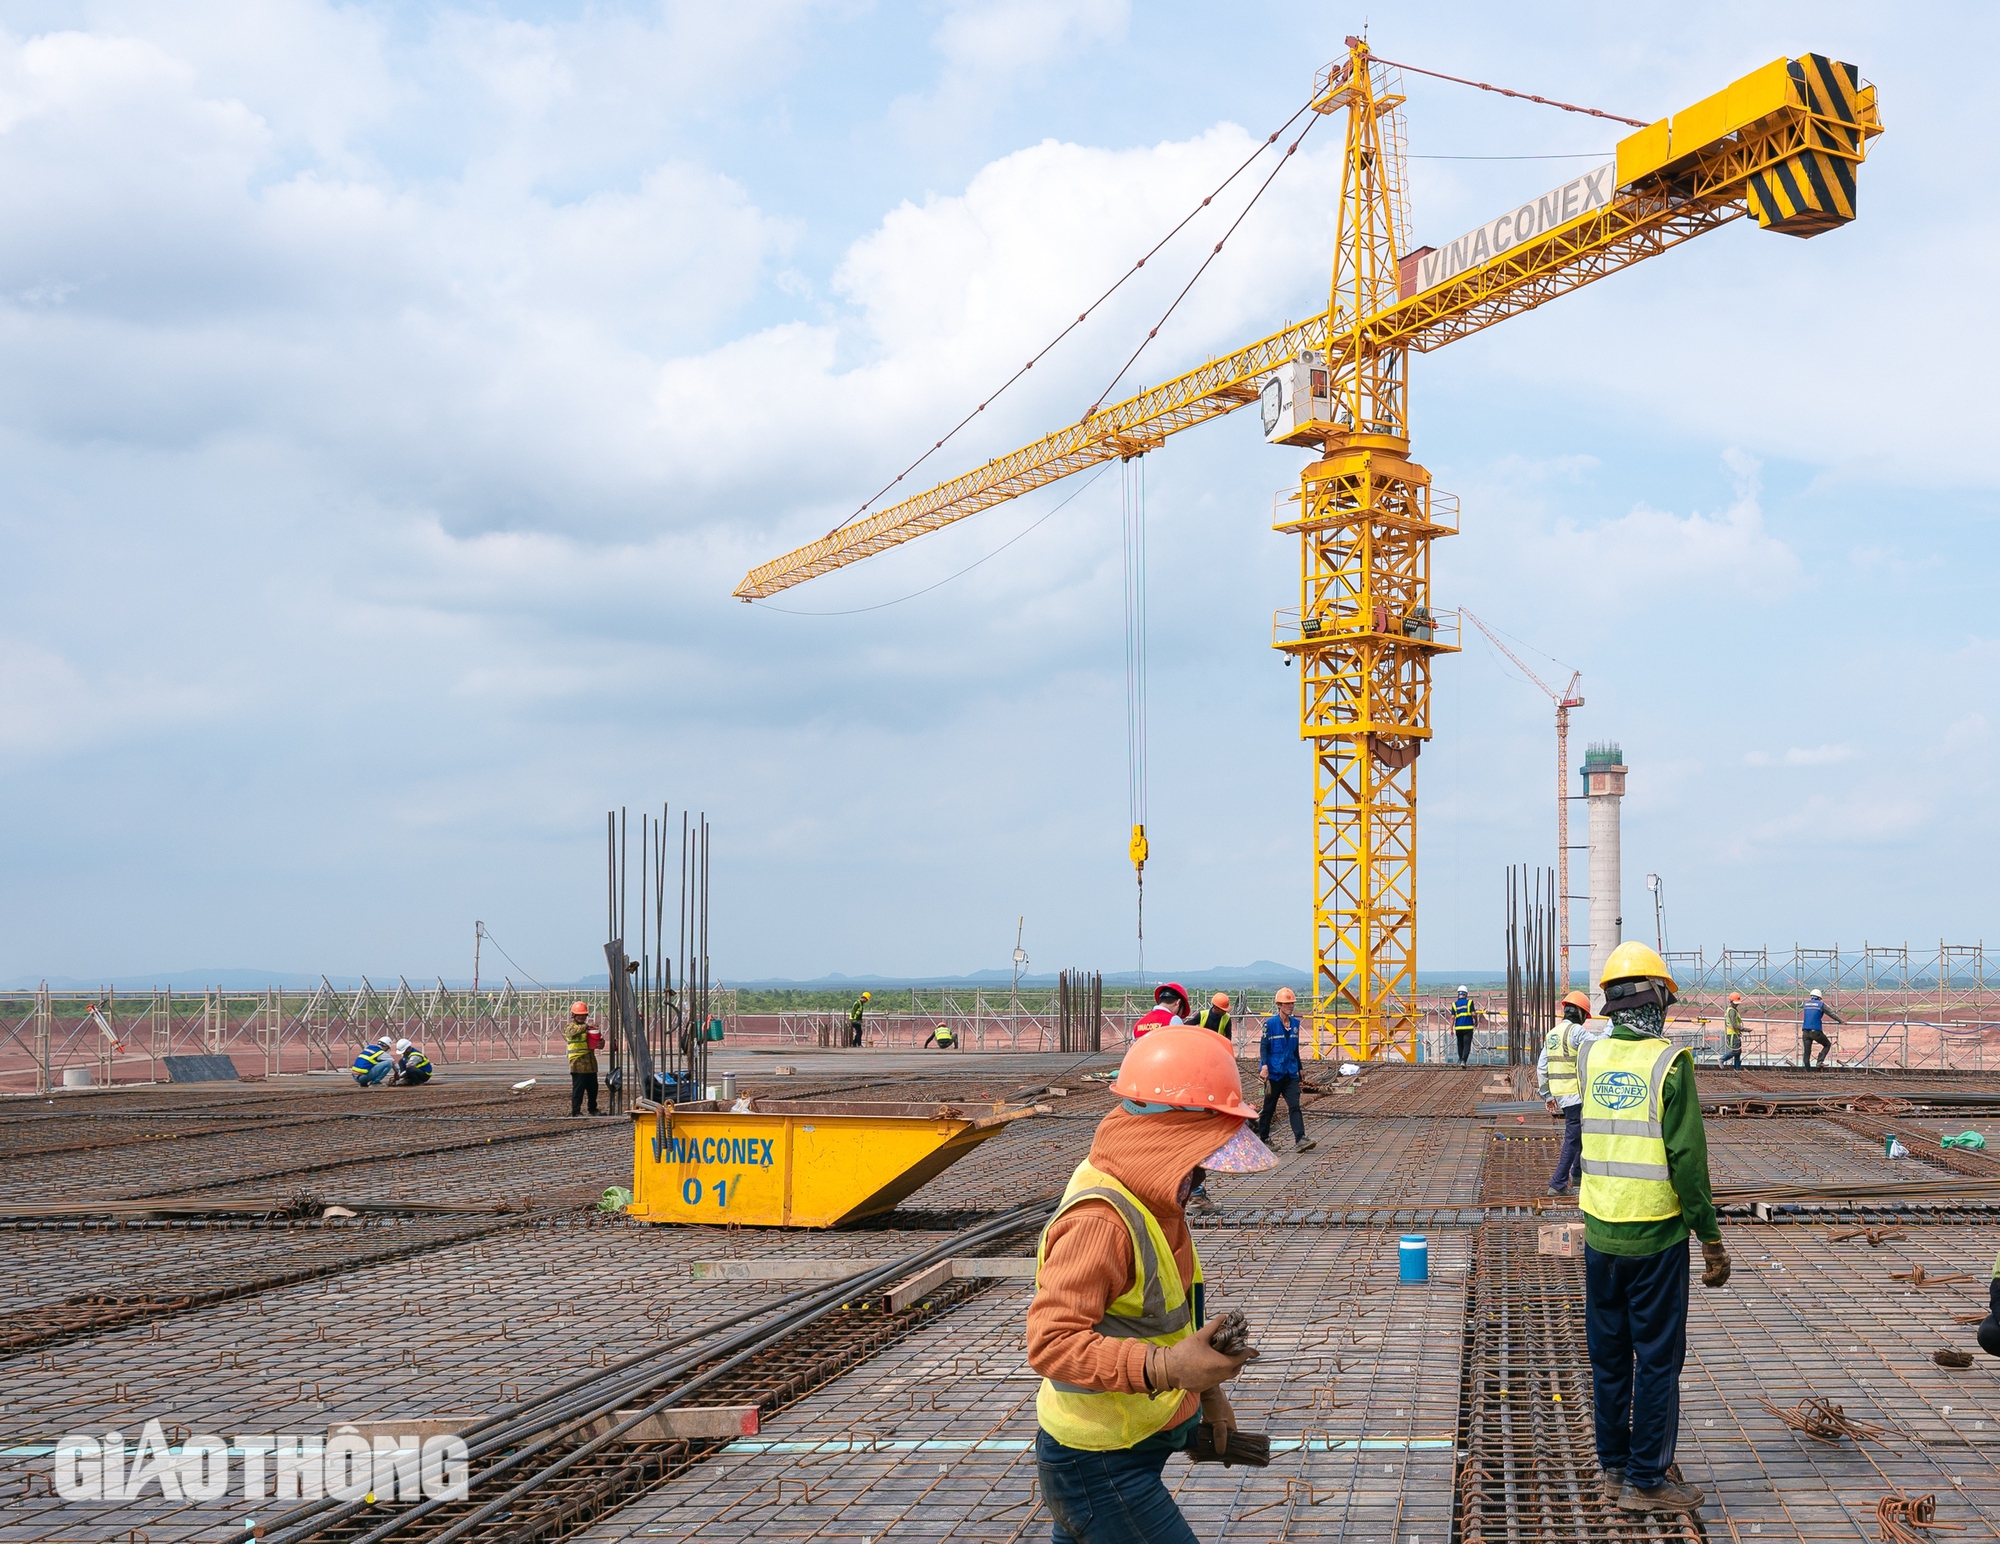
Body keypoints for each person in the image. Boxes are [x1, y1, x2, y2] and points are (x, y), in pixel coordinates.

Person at [1028, 1027, 1279, 1544]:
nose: (1201, 1180)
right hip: (1098, 1463)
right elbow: (1051, 1344)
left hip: (1133, 1442)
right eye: (1198, 1163)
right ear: (1165, 1142)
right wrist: (1168, 1369)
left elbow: (1171, 1318)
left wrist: (1206, 1396)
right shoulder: (1101, 1220)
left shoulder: (1155, 1202)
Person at [1578, 940, 1730, 1516]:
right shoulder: (1670, 1064)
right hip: (1657, 1241)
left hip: (1600, 1236)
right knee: (1659, 1359)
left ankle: (1613, 1471)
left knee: (1610, 1359)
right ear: (1657, 1001)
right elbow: (1688, 1163)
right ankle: (1646, 1481)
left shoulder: (1594, 1057)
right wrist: (1710, 1239)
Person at [1537, 990, 1596, 1195]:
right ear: (1580, 1013)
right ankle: (1558, 1183)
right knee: (1573, 1138)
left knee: (1579, 1134)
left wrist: (1547, 1095)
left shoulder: (1552, 1034)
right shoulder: (1576, 1032)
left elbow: (1542, 1068)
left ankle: (1578, 1175)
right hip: (1576, 1095)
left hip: (1562, 1095)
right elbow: (1599, 1046)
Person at [1256, 988, 1315, 1155]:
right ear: (1279, 1005)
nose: (1291, 1006)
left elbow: (1294, 1049)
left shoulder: (1295, 1025)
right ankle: (1264, 1138)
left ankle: (1300, 1139)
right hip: (1274, 1073)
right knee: (1269, 1107)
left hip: (1290, 1073)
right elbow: (1264, 1047)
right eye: (1287, 1003)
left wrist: (1300, 1068)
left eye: (1292, 1003)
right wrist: (1264, 1066)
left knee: (1295, 1105)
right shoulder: (1270, 1024)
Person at [566, 1001, 600, 1116]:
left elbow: (598, 1041)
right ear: (573, 1016)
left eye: (583, 1015)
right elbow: (571, 1033)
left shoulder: (588, 1030)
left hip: (590, 1064)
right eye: (579, 1015)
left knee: (593, 1089)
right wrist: (587, 1026)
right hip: (578, 1064)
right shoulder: (570, 1027)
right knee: (578, 1090)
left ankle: (593, 1109)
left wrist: (600, 1042)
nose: (581, 1017)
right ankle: (576, 1112)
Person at [1801, 989, 1841, 1069]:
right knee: (1827, 1044)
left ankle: (1808, 1072)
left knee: (1807, 1051)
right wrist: (1841, 1021)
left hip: (1805, 1031)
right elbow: (1831, 1014)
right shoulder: (1820, 1004)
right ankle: (1819, 1061)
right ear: (1819, 998)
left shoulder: (1806, 1004)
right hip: (1815, 1031)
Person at [1452, 987, 1478, 1065]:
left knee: (1460, 1044)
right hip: (1468, 1027)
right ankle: (1463, 1061)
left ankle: (1461, 1060)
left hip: (1458, 1027)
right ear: (1466, 994)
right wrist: (1476, 1021)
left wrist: (1450, 1029)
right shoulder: (1469, 1002)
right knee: (1467, 1045)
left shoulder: (1454, 1004)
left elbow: (1452, 1017)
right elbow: (1473, 1014)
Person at [1721, 994, 1745, 1070]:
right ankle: (1722, 1059)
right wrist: (1745, 1029)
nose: (1737, 1004)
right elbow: (1734, 1024)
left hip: (1735, 1033)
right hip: (1732, 1034)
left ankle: (1737, 1069)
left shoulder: (1732, 1010)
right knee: (1736, 1051)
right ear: (1731, 1002)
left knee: (1738, 1051)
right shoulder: (1732, 1011)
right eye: (1735, 1002)